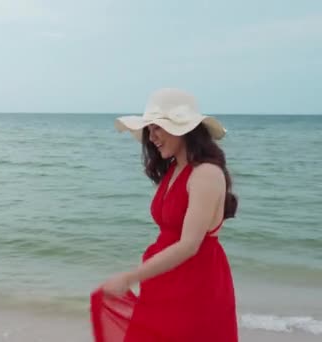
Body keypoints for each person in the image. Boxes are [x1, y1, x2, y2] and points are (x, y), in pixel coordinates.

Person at [90, 88, 239, 342]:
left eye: (157, 128)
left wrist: (130, 277)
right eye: (149, 130)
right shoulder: (174, 170)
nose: (152, 137)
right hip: (164, 282)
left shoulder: (206, 173)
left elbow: (189, 245)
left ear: (183, 128)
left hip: (195, 287)